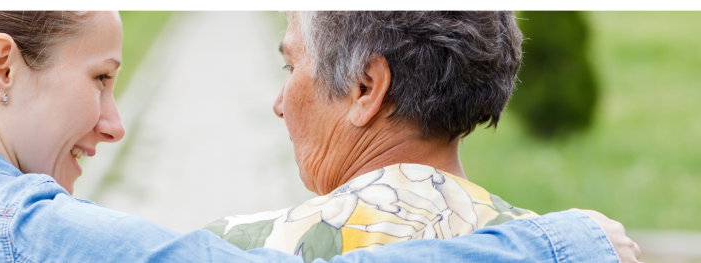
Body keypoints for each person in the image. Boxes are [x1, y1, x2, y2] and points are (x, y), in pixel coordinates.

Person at [0, 11, 637, 263]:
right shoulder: (17, 232)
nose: (114, 119)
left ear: (367, 89)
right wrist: (564, 240)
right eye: (100, 78)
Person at [202, 10, 641, 263]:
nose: (279, 103)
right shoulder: (586, 249)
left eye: (291, 67)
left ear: (365, 87)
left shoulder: (235, 248)